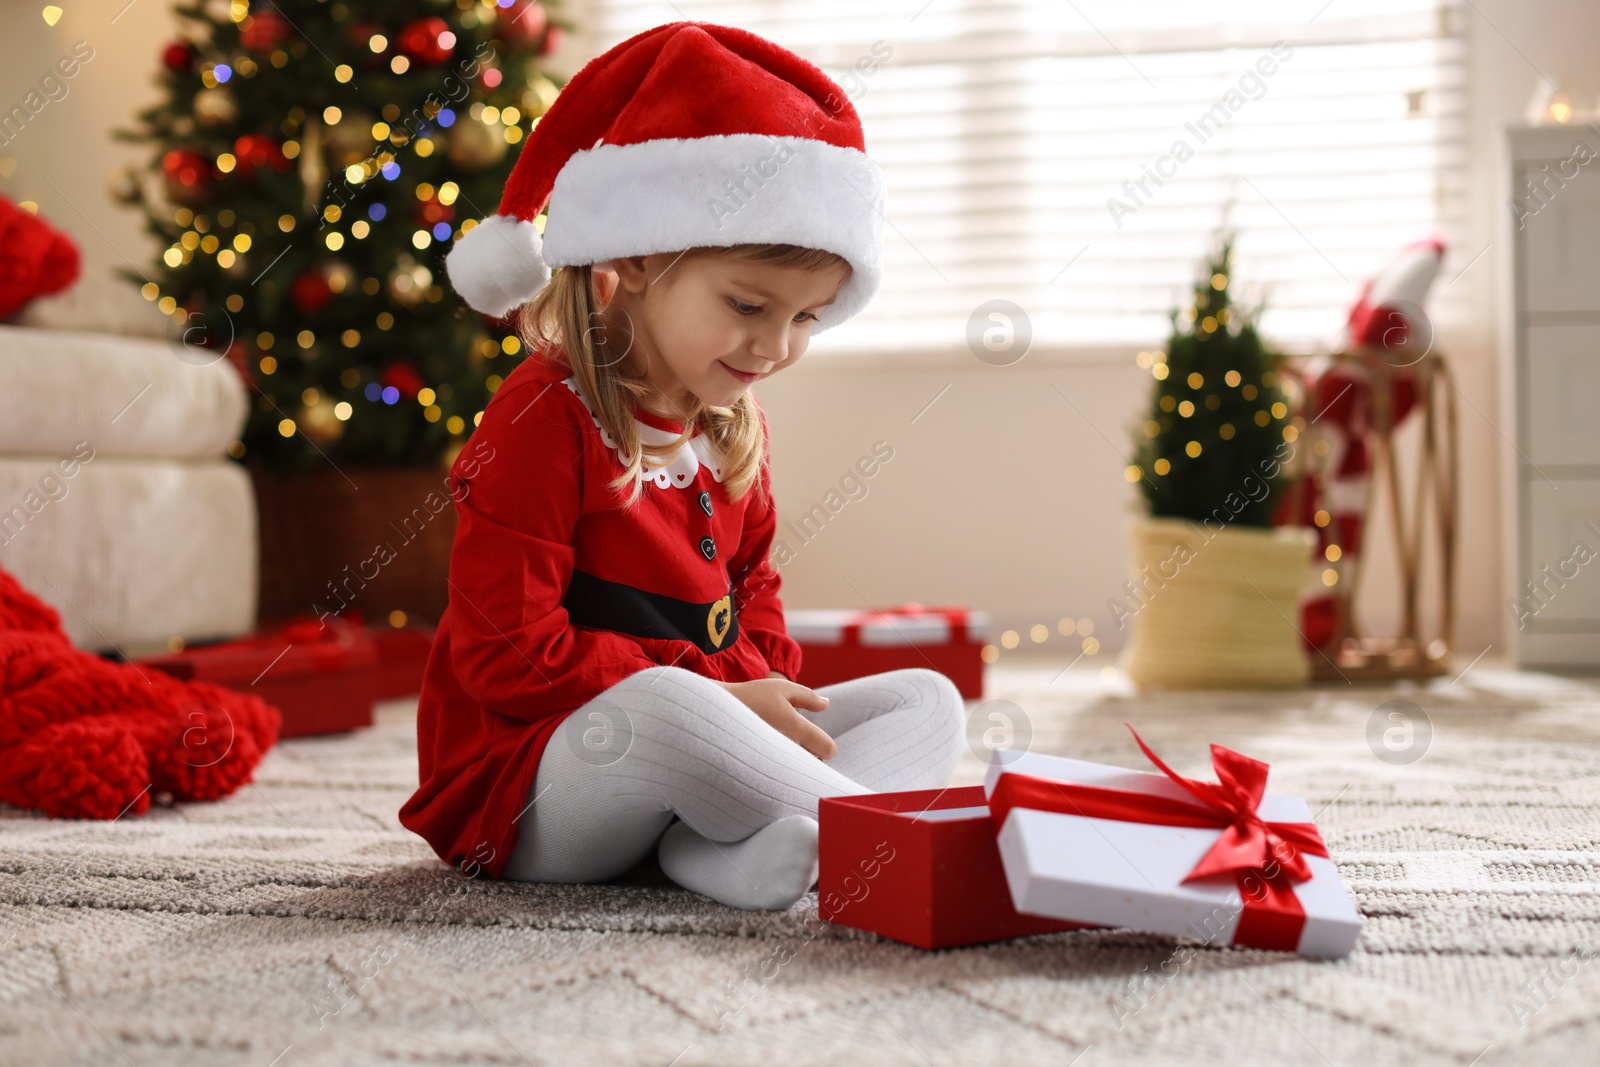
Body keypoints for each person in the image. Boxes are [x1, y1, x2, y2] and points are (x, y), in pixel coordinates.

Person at [398, 21, 965, 911]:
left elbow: (754, 589)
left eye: (809, 318)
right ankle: (907, 842)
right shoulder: (545, 419)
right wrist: (728, 704)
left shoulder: (729, 420)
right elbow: (507, 657)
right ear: (631, 259)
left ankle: (712, 852)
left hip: (684, 746)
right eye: (748, 304)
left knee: (926, 702)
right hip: (527, 785)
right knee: (667, 704)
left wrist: (757, 691)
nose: (776, 346)